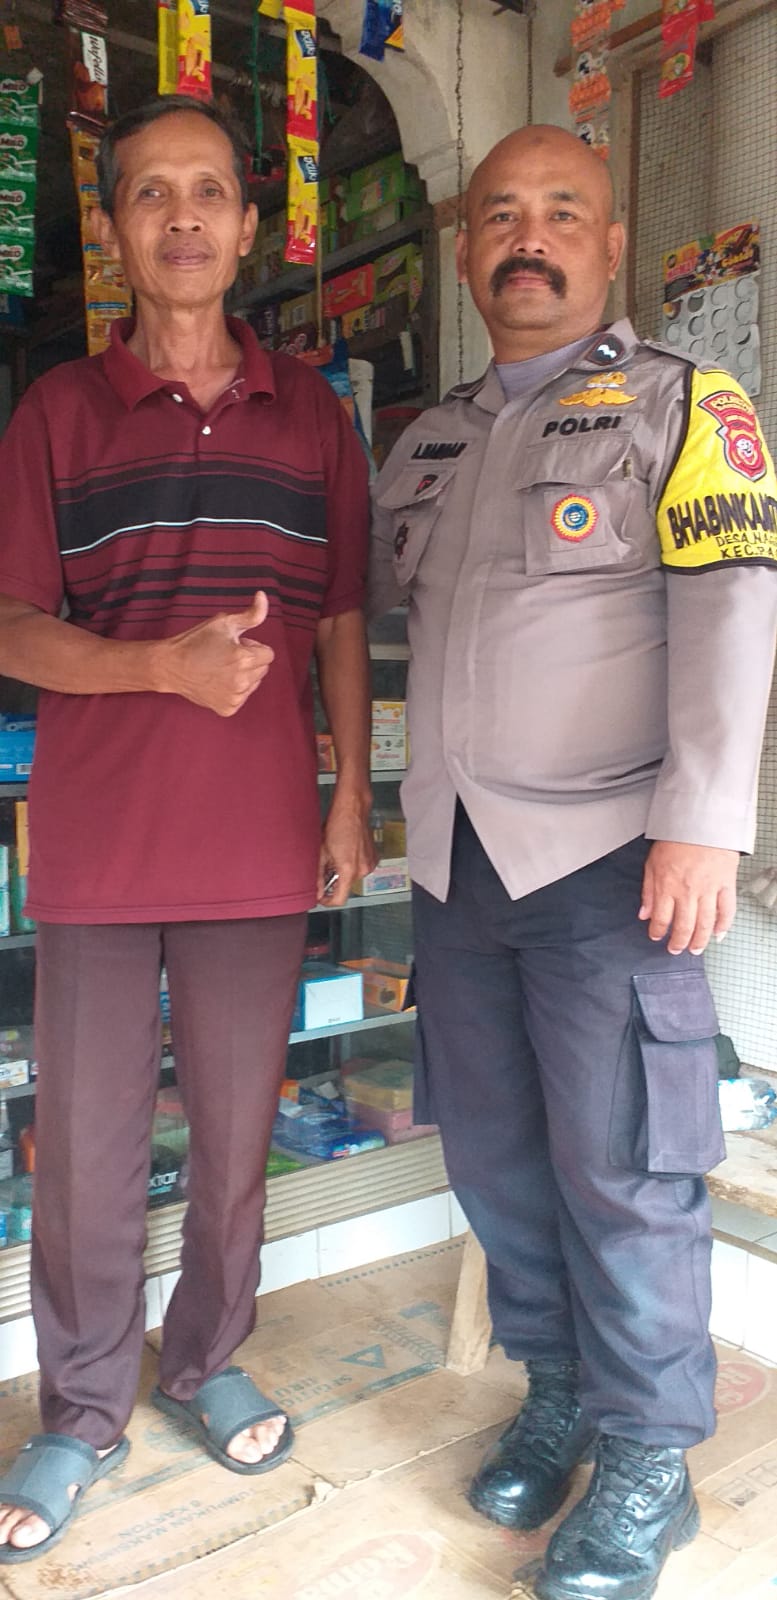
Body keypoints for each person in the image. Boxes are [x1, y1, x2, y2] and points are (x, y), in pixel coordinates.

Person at [368, 124, 777, 1600]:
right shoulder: (426, 442)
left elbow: (733, 611)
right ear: (467, 249)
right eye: (498, 215)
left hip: (613, 859)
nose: (525, 238)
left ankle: (652, 1462)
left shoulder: (686, 405)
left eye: (558, 214)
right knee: (495, 1156)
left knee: (626, 1171)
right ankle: (557, 1391)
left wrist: (703, 821)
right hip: (458, 866)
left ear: (610, 246)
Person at [0, 95, 374, 1562]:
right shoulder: (58, 411)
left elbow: (338, 616)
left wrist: (351, 789)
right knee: (88, 1149)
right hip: (99, 837)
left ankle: (208, 1358)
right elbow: (11, 623)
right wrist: (158, 665)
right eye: (150, 193)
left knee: (233, 1137)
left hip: (258, 833)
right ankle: (82, 1408)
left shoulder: (312, 415)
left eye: (208, 190)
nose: (182, 217)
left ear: (249, 223)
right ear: (111, 228)